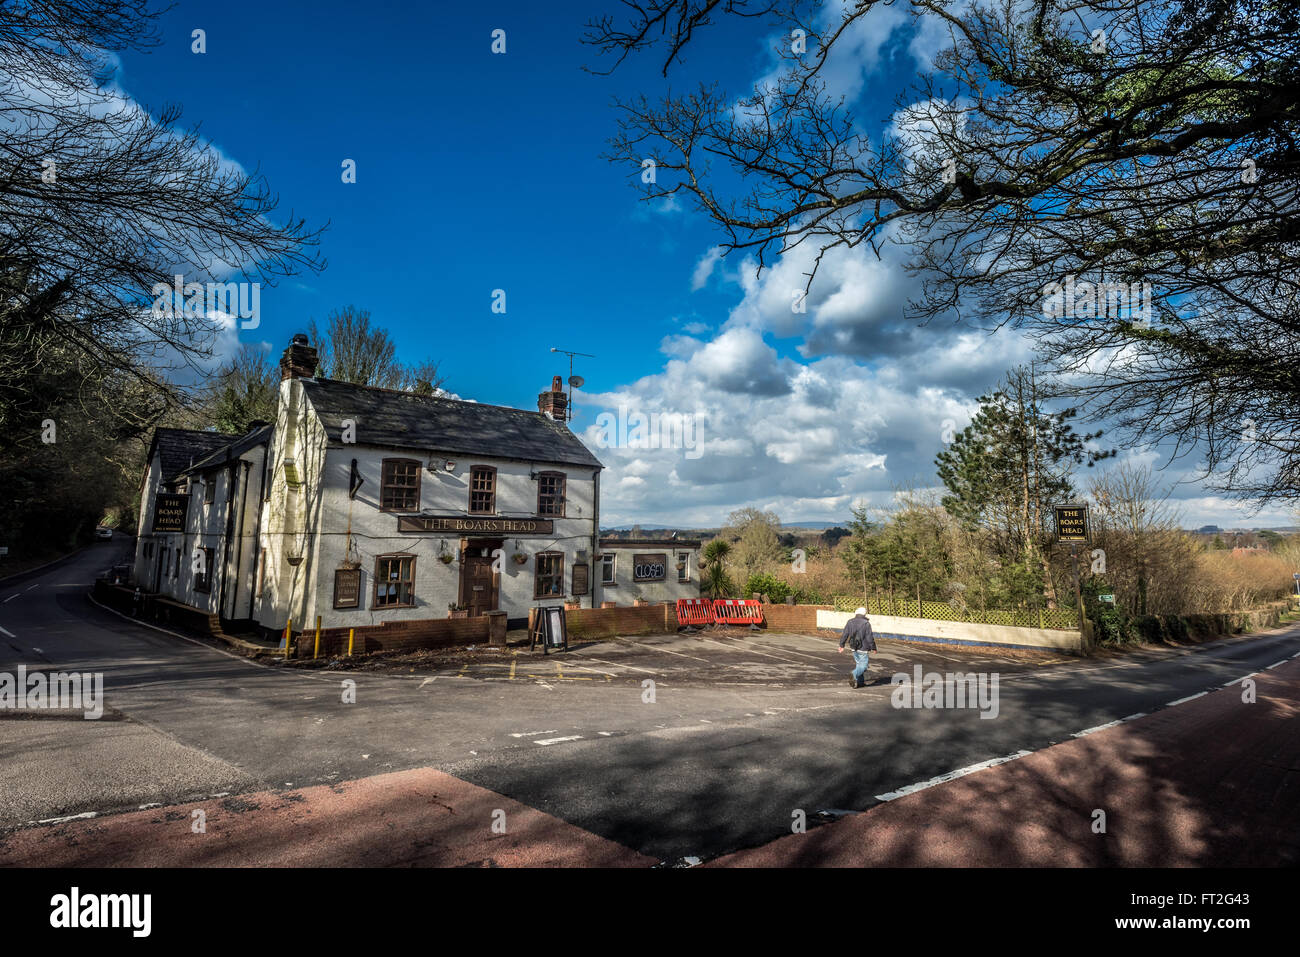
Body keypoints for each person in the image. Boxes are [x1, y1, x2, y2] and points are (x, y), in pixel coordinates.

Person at [838, 607, 876, 688]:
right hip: (863, 647)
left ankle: (860, 682)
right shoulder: (866, 623)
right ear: (864, 614)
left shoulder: (850, 622)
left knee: (859, 664)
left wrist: (842, 645)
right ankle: (854, 674)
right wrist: (873, 647)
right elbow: (869, 637)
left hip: (853, 646)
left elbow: (845, 634)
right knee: (864, 666)